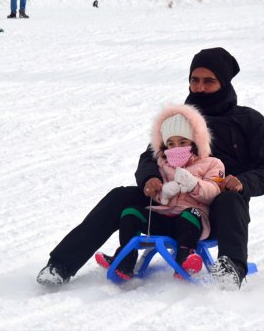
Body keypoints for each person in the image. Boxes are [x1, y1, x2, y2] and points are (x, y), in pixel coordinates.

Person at [37, 47, 264, 290]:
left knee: (230, 200)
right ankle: (60, 265)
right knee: (119, 196)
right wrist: (150, 178)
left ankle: (231, 269)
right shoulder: (180, 119)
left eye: (208, 81)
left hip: (217, 210)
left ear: (225, 82)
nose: (199, 88)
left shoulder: (248, 120)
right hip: (170, 202)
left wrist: (243, 182)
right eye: (194, 80)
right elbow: (150, 155)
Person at [94, 104, 225, 280]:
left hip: (192, 222)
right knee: (130, 212)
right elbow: (156, 193)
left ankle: (185, 259)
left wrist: (194, 185)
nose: (175, 148)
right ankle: (125, 260)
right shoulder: (163, 164)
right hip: (164, 216)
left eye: (183, 142)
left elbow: (214, 192)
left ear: (195, 142)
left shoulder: (212, 164)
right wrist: (161, 192)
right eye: (170, 144)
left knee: (190, 214)